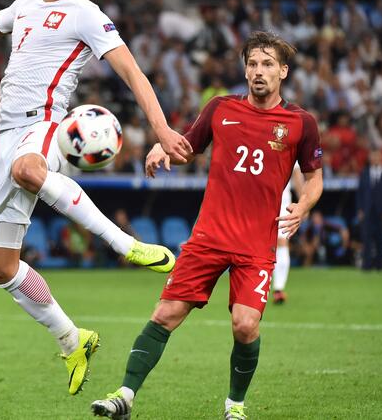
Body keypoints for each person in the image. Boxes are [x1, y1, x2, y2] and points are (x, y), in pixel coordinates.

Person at [0, 0, 192, 396]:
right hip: (5, 133)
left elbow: (133, 73)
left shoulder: (86, 15)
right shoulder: (23, 6)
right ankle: (72, 339)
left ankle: (127, 244)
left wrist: (162, 129)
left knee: (28, 168)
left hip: (48, 125)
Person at [91, 31, 324, 420]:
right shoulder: (220, 108)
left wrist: (303, 205)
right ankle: (124, 396)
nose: (258, 72)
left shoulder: (300, 123)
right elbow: (187, 148)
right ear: (244, 69)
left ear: (283, 71)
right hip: (209, 237)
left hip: (255, 244)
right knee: (165, 314)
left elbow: (315, 177)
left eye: (268, 64)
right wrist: (162, 146)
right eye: (252, 64)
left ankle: (234, 407)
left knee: (245, 325)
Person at [357, 149, 382, 271]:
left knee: (380, 238)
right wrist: (360, 209)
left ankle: (380, 265)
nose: (375, 159)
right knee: (366, 239)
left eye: (377, 157)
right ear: (370, 159)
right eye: (373, 157)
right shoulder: (364, 173)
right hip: (367, 211)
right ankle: (366, 266)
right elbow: (360, 193)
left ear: (381, 158)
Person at [272, 163, 305, 304]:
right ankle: (261, 284)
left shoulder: (289, 143)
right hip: (257, 201)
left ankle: (278, 288)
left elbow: (297, 176)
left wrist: (304, 204)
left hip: (281, 202)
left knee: (281, 242)